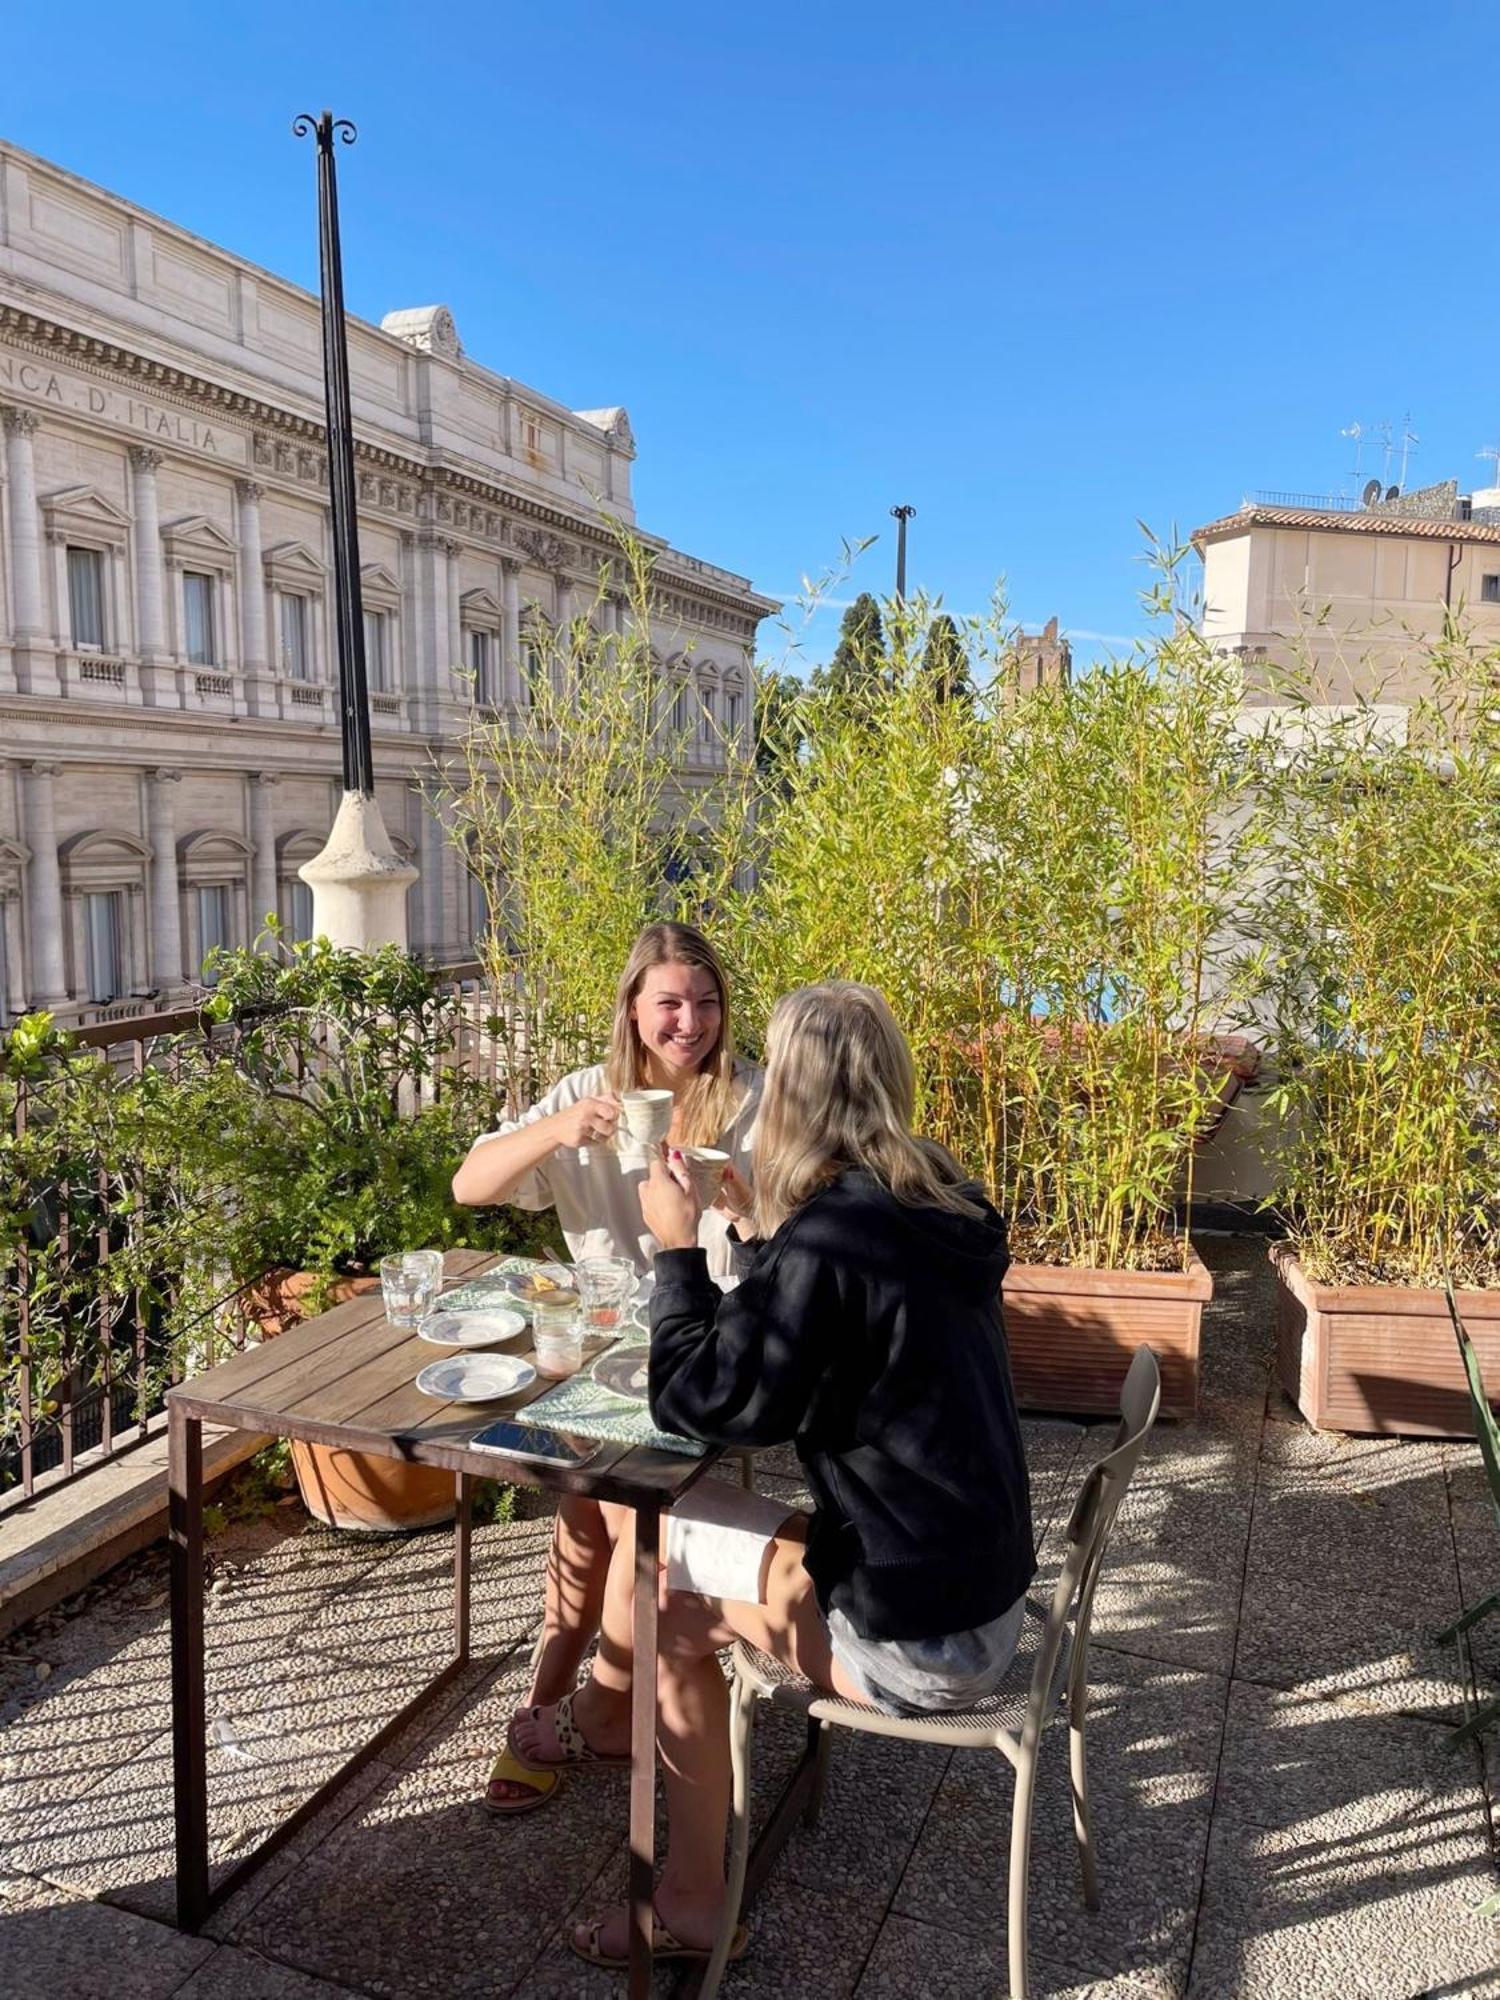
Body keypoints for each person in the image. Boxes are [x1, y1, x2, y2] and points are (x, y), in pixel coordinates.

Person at [507, 981, 1035, 1969]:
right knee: (668, 1524)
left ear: (789, 1092)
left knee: (663, 1584)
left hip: (925, 1633)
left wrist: (675, 1246)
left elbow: (705, 1401)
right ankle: (599, 1717)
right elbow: (809, 1327)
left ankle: (690, 1896)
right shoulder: (933, 1194)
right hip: (978, 1584)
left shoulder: (839, 1234)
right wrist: (754, 1238)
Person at [452, 921, 761, 1813]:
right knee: (588, 1524)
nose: (689, 1023)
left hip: (704, 1350)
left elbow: (794, 1224)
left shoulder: (750, 1099)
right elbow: (470, 1186)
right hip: (599, 1357)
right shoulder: (587, 1096)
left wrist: (736, 1195)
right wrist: (556, 1129)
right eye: (669, 1003)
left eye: (705, 1004)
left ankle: (591, 1704)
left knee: (622, 1528)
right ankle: (574, 1702)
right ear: (632, 1008)